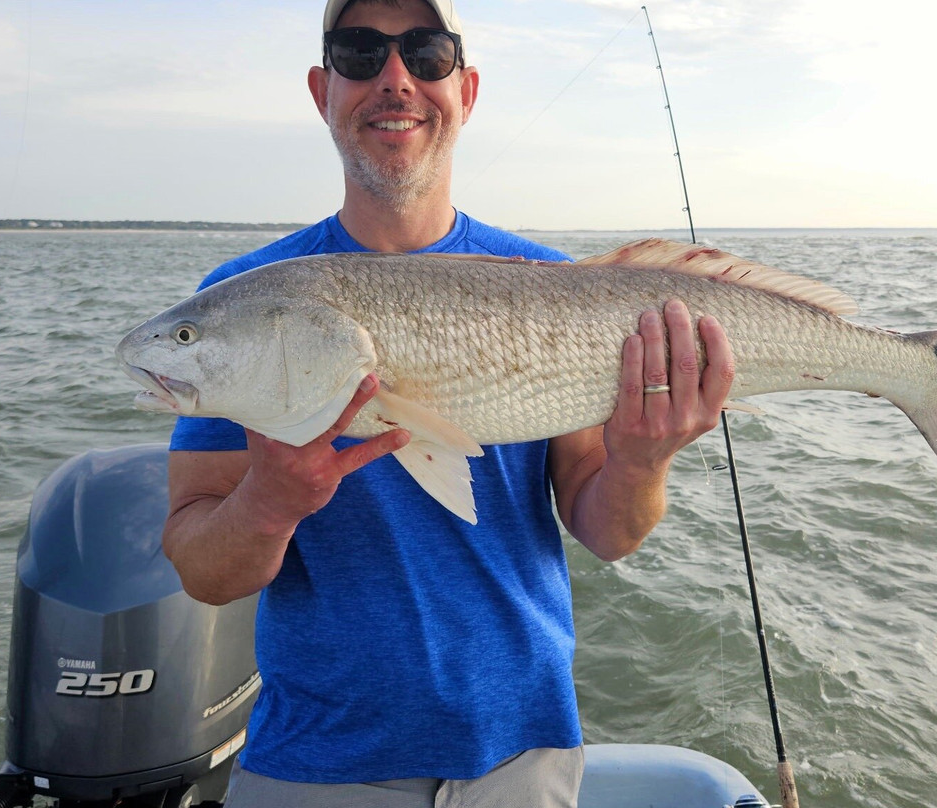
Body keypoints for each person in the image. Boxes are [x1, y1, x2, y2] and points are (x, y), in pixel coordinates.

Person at [162, 0, 735, 805]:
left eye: (426, 54)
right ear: (322, 90)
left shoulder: (555, 283)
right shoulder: (245, 304)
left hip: (523, 759)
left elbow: (610, 532)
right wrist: (267, 501)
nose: (395, 79)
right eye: (360, 53)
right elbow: (202, 572)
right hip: (315, 763)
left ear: (466, 90)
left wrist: (642, 461)